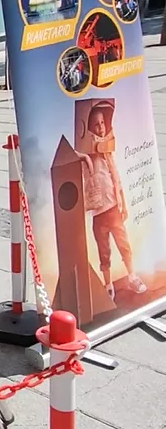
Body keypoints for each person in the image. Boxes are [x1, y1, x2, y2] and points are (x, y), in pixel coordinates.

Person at [78, 101, 146, 300]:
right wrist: (85, 156)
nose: (100, 127)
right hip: (99, 213)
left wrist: (122, 202)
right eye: (96, 124)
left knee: (124, 244)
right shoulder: (87, 154)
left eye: (102, 123)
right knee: (104, 251)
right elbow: (77, 157)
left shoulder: (108, 153)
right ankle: (108, 285)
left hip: (114, 209)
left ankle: (132, 276)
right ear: (89, 128)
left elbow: (116, 179)